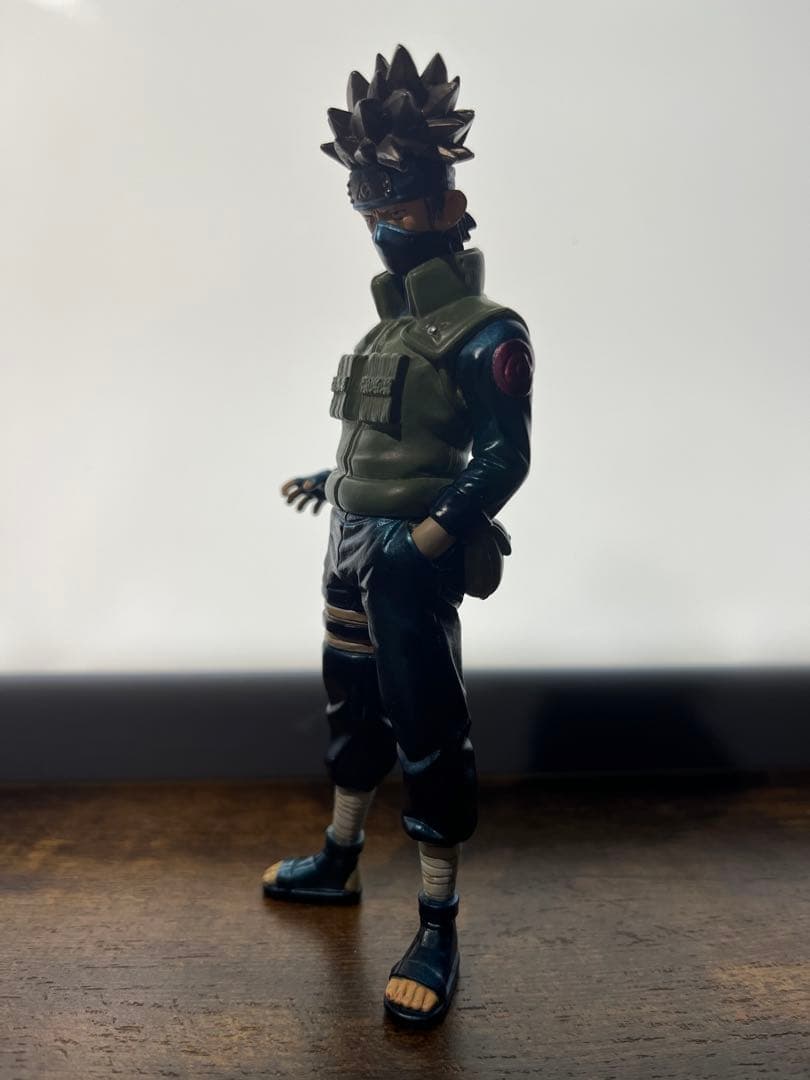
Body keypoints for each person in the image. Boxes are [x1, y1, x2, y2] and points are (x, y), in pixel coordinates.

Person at [262, 44, 533, 1027]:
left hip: (410, 561)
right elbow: (381, 439)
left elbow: (502, 460)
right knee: (352, 705)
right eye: (371, 209)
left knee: (426, 726)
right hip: (349, 543)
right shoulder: (385, 334)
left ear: (450, 206)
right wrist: (331, 481)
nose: (385, 228)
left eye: (403, 208)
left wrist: (425, 539)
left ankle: (436, 921)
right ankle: (340, 855)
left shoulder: (488, 334)